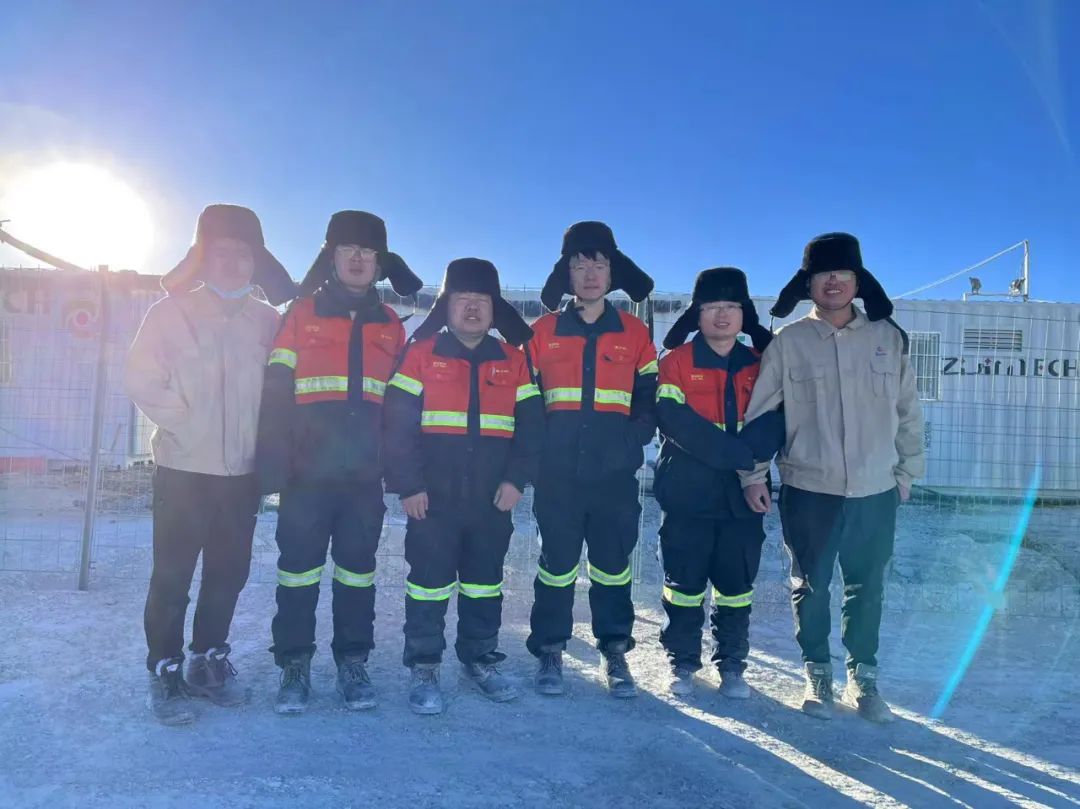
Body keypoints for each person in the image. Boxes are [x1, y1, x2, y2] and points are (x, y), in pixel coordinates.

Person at [739, 232, 925, 723]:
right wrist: (752, 475)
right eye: (823, 274)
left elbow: (908, 413)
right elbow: (761, 416)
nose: (834, 281)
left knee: (867, 587)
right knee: (812, 585)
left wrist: (906, 473)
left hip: (876, 489)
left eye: (843, 272)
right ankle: (817, 672)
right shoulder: (789, 343)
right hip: (809, 489)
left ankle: (864, 678)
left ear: (858, 280)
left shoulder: (888, 338)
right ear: (809, 284)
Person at [125, 203, 295, 725]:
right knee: (172, 575)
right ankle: (165, 668)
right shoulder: (169, 312)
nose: (233, 263)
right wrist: (186, 424)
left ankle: (207, 659)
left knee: (228, 572)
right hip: (183, 469)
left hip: (241, 475)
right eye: (221, 252)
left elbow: (281, 390)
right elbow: (142, 379)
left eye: (243, 254)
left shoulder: (268, 320)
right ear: (202, 257)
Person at [256, 210, 422, 714]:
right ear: (330, 256)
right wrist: (273, 465)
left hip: (362, 481)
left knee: (357, 575)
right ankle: (294, 666)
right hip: (305, 477)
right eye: (347, 249)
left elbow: (402, 412)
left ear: (380, 264)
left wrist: (400, 473)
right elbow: (276, 394)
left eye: (367, 252)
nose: (357, 258)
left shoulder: (392, 325)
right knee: (298, 574)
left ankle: (353, 663)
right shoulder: (300, 314)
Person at [384, 258, 544, 714]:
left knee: (484, 585)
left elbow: (532, 430)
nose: (472, 309)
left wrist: (517, 480)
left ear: (495, 309)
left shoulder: (514, 361)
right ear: (446, 306)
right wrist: (408, 485)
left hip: (492, 501)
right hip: (430, 501)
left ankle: (479, 659)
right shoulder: (420, 355)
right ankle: (424, 665)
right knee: (428, 585)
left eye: (481, 301)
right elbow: (396, 427)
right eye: (462, 300)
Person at [526, 221, 657, 698]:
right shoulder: (541, 333)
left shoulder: (635, 333)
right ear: (567, 272)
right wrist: (538, 456)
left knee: (612, 566)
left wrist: (629, 445)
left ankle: (615, 650)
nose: (589, 274)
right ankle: (549, 649)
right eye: (578, 265)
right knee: (555, 565)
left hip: (613, 476)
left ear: (611, 271)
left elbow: (649, 399)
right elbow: (526, 401)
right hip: (557, 475)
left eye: (598, 264)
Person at [654, 267, 784, 698]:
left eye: (731, 307)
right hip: (687, 491)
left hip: (742, 495)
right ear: (698, 314)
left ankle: (732, 664)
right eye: (712, 307)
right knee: (684, 583)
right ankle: (683, 662)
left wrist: (751, 471)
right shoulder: (674, 362)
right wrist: (735, 455)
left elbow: (772, 421)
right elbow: (674, 419)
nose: (723, 316)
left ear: (744, 313)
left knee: (736, 584)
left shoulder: (761, 365)